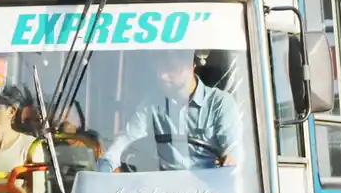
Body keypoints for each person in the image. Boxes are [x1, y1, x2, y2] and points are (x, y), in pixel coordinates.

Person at [96, 51, 242, 172]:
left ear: (192, 66)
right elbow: (125, 139)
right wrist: (107, 164)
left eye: (172, 69)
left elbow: (235, 151)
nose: (163, 76)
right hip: (165, 192)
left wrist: (232, 160)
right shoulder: (153, 102)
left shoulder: (220, 103)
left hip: (210, 191)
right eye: (160, 69)